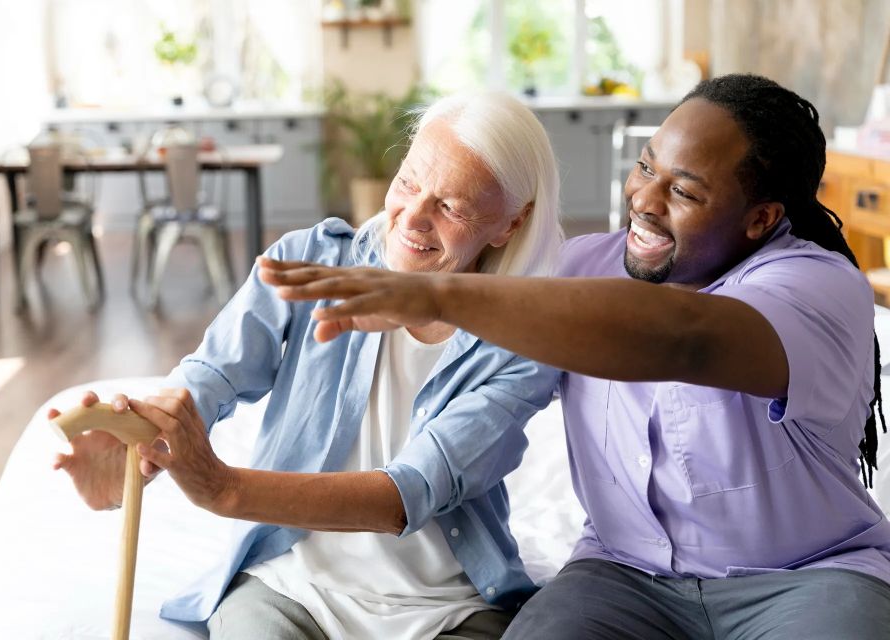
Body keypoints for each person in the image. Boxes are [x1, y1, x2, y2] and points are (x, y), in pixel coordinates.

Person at [258, 74, 890, 639]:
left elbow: (682, 336)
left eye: (685, 192)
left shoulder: (817, 286)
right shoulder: (574, 269)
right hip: (622, 577)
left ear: (761, 219)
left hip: (805, 577)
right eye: (646, 168)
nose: (644, 199)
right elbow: (475, 362)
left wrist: (439, 293)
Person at [50, 91, 564, 640]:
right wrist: (140, 435)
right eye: (410, 183)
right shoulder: (311, 261)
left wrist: (224, 488)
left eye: (452, 207)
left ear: (511, 223)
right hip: (289, 584)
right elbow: (214, 373)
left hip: (448, 606)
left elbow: (409, 492)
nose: (412, 218)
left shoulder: (524, 341)